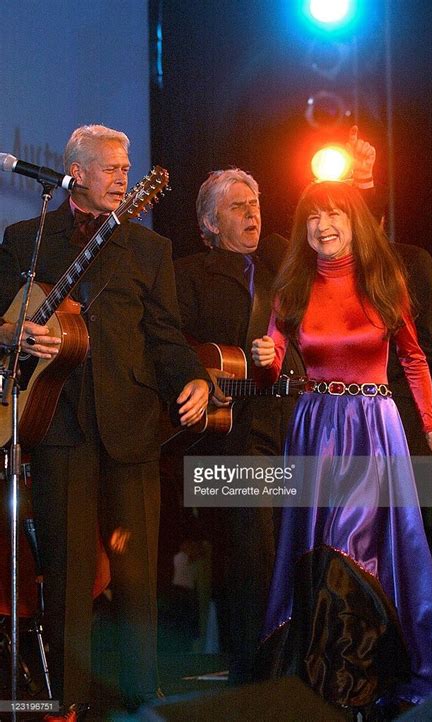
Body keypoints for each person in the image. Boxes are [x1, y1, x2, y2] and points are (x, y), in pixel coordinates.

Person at [0, 124, 211, 720]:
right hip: (57, 424)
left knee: (138, 574)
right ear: (76, 173)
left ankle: (141, 695)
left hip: (133, 427)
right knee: (66, 577)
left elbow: (165, 337)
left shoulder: (150, 249)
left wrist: (193, 378)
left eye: (126, 168)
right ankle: (67, 698)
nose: (122, 177)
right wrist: (15, 333)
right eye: (111, 168)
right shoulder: (26, 239)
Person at [171, 131, 379, 685]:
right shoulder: (186, 275)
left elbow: (356, 267)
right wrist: (199, 374)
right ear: (210, 224)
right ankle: (256, 678)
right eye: (237, 208)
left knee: (313, 552)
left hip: (298, 424)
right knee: (252, 559)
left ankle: (316, 668)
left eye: (255, 204)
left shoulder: (292, 264)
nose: (251, 214)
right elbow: (167, 344)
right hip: (228, 438)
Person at [251, 181, 432, 714]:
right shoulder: (292, 286)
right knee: (318, 541)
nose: (323, 226)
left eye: (335, 214)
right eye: (312, 217)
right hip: (315, 427)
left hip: (374, 426)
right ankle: (322, 674)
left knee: (353, 542)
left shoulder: (383, 279)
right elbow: (275, 362)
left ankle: (355, 673)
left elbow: (414, 360)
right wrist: (264, 356)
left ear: (355, 221)